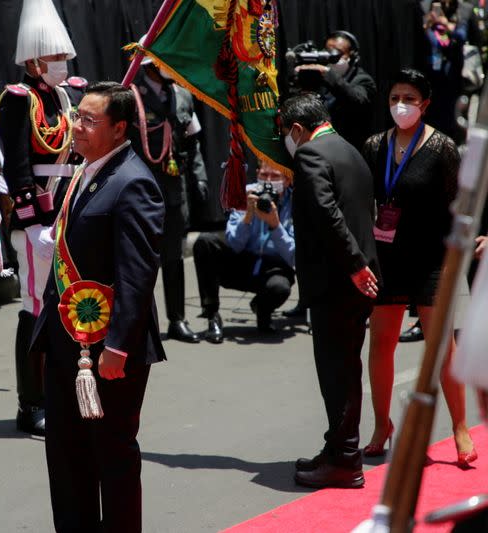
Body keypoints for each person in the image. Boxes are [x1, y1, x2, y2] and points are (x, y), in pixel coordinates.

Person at [30, 81, 166, 533]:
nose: (77, 127)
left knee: (112, 455)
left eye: (89, 120)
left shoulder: (134, 182)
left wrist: (119, 347)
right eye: (77, 117)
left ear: (119, 127)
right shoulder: (85, 169)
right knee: (67, 455)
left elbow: (137, 274)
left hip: (108, 351)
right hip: (68, 339)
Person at [361, 68, 476, 467]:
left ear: (424, 104)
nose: (400, 106)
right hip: (386, 258)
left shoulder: (443, 148)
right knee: (381, 344)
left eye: (409, 98)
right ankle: (380, 425)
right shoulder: (375, 145)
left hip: (431, 259)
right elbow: (364, 200)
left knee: (443, 346)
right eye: (394, 98)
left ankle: (460, 426)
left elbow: (466, 199)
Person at [0, 0, 85, 435]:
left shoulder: (66, 97)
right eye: (54, 58)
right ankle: (30, 403)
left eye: (64, 57)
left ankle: (58, 390)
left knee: (62, 305)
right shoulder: (19, 99)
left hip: (66, 211)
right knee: (34, 307)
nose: (62, 64)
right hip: (39, 219)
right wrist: (32, 222)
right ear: (33, 61)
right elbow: (16, 166)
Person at [281, 94, 380, 489]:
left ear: (298, 130)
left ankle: (345, 460)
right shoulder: (349, 150)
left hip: (339, 281)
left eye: (286, 134)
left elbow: (327, 214)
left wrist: (355, 266)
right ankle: (339, 447)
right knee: (346, 369)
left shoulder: (309, 155)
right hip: (353, 281)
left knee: (337, 373)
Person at [129, 55, 209, 343]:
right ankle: (138, 323)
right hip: (140, 191)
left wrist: (199, 176)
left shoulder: (183, 95)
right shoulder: (131, 95)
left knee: (174, 257)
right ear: (150, 65)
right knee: (139, 260)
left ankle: (177, 319)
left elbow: (192, 140)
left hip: (175, 189)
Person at [193, 161, 294, 342]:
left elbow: (294, 256)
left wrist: (275, 225)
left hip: (273, 267)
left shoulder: (296, 204)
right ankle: (212, 315)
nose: (268, 181)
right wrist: (247, 217)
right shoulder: (247, 194)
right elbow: (234, 243)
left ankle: (263, 309)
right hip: (242, 263)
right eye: (264, 175)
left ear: (287, 180)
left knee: (280, 287)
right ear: (257, 174)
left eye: (275, 177)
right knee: (205, 242)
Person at [294, 30, 377, 152]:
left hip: (349, 148)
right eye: (327, 52)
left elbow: (358, 101)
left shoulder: (363, 80)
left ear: (352, 56)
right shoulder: (319, 77)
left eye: (337, 53)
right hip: (319, 146)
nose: (332, 57)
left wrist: (328, 74)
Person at [422, 0, 482, 144]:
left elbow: (466, 37)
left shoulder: (464, 10)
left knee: (452, 124)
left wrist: (445, 24)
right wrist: (426, 26)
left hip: (456, 80)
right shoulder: (425, 7)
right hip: (431, 79)